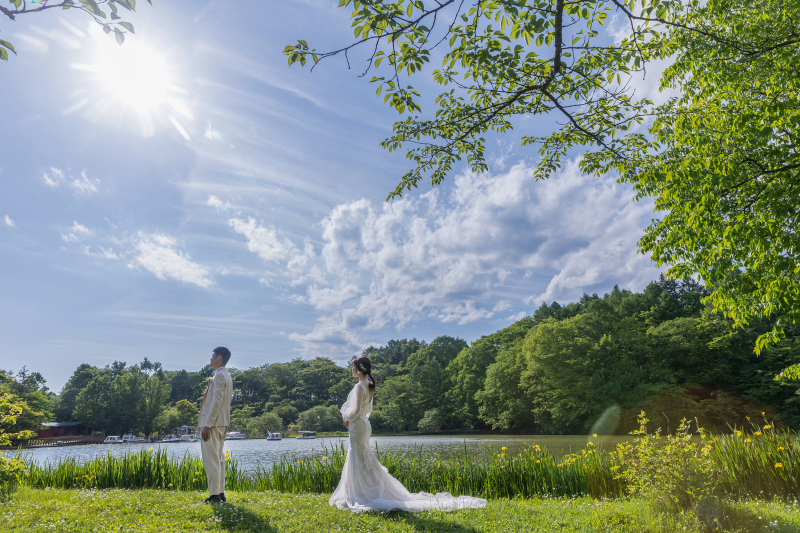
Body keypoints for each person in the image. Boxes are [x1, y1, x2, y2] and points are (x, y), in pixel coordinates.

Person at [329, 356, 487, 513]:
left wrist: (345, 416)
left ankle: (360, 494)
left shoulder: (359, 387)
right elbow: (366, 411)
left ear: (359, 369)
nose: (351, 369)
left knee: (358, 457)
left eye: (353, 367)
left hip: (358, 426)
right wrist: (352, 417)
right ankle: (362, 492)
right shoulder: (368, 386)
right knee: (363, 458)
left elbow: (355, 410)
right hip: (364, 425)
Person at [198, 346, 233, 504]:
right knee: (218, 458)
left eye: (213, 356)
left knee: (211, 458)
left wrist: (207, 425)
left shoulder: (219, 376)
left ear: (219, 358)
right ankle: (220, 492)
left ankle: (214, 495)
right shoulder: (226, 375)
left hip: (213, 424)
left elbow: (216, 402)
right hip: (222, 423)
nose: (210, 359)